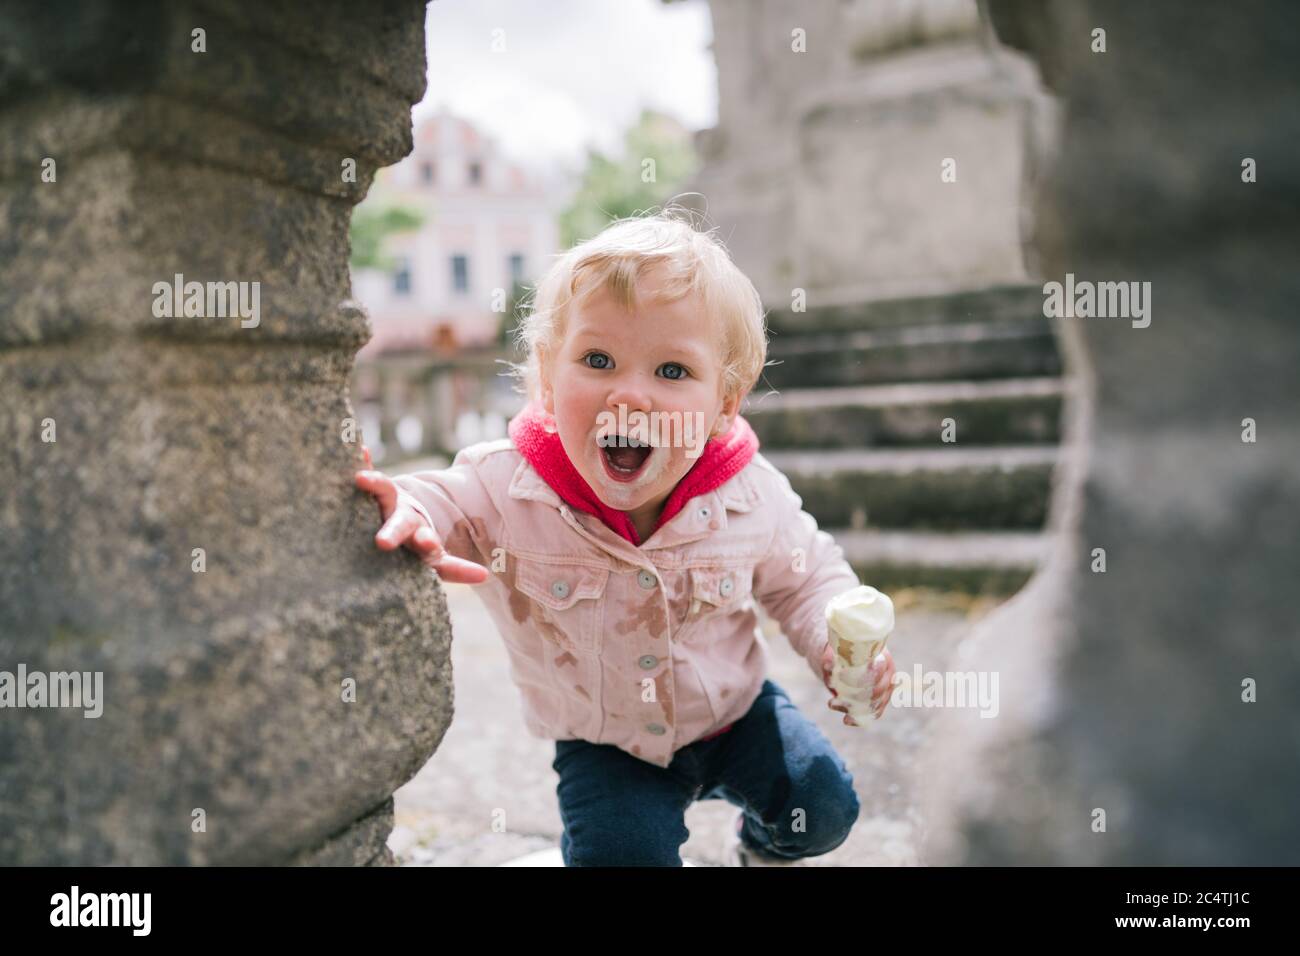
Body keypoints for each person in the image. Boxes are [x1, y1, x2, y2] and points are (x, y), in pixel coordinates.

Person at [355, 209, 896, 866]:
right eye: (598, 360)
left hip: (736, 715)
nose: (630, 396)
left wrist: (837, 645)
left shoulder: (749, 491)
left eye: (671, 371)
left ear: (725, 402)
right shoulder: (508, 484)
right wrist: (405, 507)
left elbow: (808, 578)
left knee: (824, 806)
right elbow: (442, 499)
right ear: (549, 379)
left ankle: (759, 850)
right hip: (608, 747)